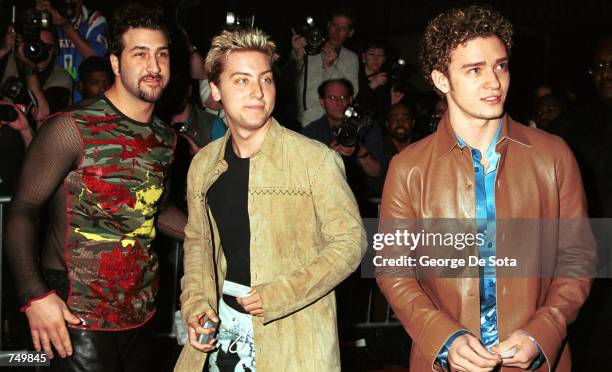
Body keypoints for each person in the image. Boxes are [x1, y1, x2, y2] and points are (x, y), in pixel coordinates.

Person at [376, 5, 595, 371]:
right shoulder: (408, 168)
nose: (494, 82)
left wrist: (543, 331)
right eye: (474, 70)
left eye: (501, 65)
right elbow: (392, 268)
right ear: (441, 80)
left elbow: (578, 257)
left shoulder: (553, 156)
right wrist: (443, 337)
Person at [5, 4, 185, 371]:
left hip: (142, 315)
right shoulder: (71, 127)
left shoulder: (166, 138)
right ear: (116, 63)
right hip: (77, 318)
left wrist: (213, 231)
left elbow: (158, 211)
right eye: (140, 54)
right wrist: (33, 294)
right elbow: (23, 209)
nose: (154, 67)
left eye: (161, 54)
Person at [174, 28, 366, 372]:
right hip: (222, 329)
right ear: (215, 90)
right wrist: (195, 304)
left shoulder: (315, 160)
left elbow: (351, 242)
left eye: (265, 80)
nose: (258, 93)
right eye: (242, 81)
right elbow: (197, 241)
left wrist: (281, 294)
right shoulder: (203, 164)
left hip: (294, 334)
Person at [302, 78, 385, 201]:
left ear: (350, 100)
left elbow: (378, 172)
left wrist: (360, 151)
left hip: (363, 199)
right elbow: (304, 179)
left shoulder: (368, 126)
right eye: (332, 98)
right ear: (321, 102)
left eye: (343, 98)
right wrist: (328, 156)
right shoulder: (311, 132)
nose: (338, 103)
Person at [291, 9, 359, 126]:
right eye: (334, 25)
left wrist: (330, 67)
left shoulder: (351, 58)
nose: (336, 32)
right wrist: (297, 57)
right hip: (298, 123)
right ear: (328, 25)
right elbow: (286, 81)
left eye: (343, 29)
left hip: (328, 124)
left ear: (350, 33)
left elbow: (352, 92)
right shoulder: (308, 47)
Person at [36, 0, 108, 101]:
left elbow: (95, 57)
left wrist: (65, 26)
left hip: (83, 99)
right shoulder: (48, 16)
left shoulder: (93, 19)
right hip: (54, 95)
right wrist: (37, 16)